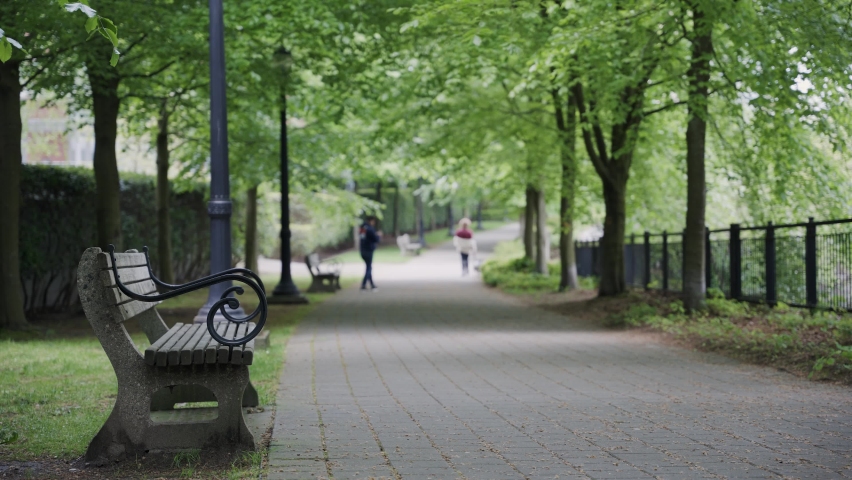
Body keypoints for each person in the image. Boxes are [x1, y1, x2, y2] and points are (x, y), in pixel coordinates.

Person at [359, 216, 381, 290]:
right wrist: (379, 235)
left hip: (362, 250)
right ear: (370, 221)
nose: (374, 223)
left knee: (369, 267)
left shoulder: (362, 228)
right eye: (373, 221)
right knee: (369, 268)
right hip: (369, 250)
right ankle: (364, 284)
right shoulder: (370, 229)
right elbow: (376, 239)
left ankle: (372, 284)